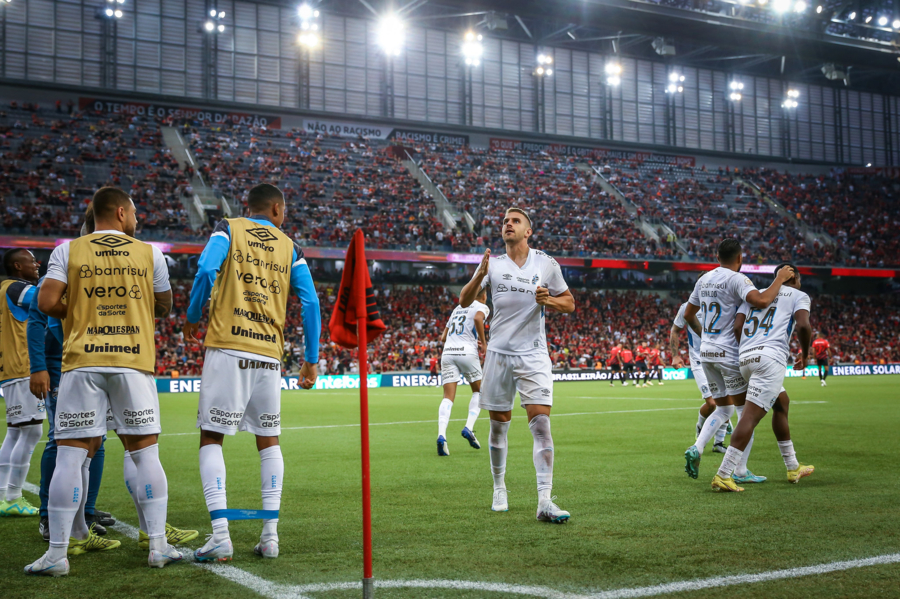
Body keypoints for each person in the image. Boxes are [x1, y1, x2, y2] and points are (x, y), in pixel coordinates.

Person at [26, 188, 182, 576]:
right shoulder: (149, 253)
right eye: (133, 213)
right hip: (133, 361)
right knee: (145, 454)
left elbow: (46, 303)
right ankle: (158, 547)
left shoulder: (68, 250)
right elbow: (164, 305)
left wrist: (80, 312)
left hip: (83, 362)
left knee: (71, 456)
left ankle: (58, 554)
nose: (136, 220)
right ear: (120, 211)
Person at [184, 183, 321, 561]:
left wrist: (193, 316)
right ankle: (270, 536)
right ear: (276, 208)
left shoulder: (228, 229)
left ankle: (220, 535)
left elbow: (206, 269)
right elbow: (310, 302)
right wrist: (311, 359)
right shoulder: (291, 247)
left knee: (212, 437)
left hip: (228, 346)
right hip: (268, 356)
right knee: (269, 440)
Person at [458, 207, 575, 523]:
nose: (508, 224)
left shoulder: (546, 263)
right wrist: (479, 275)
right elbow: (464, 300)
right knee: (499, 426)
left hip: (534, 355)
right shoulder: (493, 265)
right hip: (498, 353)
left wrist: (548, 300)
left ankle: (545, 501)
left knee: (541, 424)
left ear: (528, 231)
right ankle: (499, 488)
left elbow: (570, 302)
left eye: (515, 221)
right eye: (505, 221)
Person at [30, 208, 117, 539]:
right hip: (61, 367)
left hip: (93, 364)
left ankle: (88, 510)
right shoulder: (63, 267)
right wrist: (38, 367)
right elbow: (39, 319)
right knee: (60, 440)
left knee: (99, 439)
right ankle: (48, 515)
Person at [682, 239, 795, 489]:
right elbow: (762, 301)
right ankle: (739, 470)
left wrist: (706, 337)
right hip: (729, 355)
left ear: (717, 255)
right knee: (746, 416)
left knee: (724, 410)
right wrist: (780, 279)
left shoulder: (704, 279)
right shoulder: (737, 279)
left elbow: (689, 314)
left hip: (706, 353)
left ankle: (697, 447)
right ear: (740, 258)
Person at [712, 264, 815, 491]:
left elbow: (737, 326)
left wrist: (749, 349)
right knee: (750, 417)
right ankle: (723, 473)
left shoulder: (754, 296)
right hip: (770, 359)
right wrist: (806, 355)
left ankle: (792, 466)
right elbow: (803, 326)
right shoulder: (799, 295)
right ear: (795, 277)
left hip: (746, 358)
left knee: (782, 402)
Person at [0, 249, 44, 517]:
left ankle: (4, 494)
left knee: (16, 432)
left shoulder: (3, 289)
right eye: (31, 260)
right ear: (17, 265)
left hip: (9, 367)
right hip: (23, 367)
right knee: (31, 432)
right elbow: (44, 301)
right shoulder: (17, 288)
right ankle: (14, 495)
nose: (37, 264)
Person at [436, 288, 489, 456]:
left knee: (447, 397)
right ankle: (469, 427)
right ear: (483, 295)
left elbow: (443, 338)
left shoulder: (457, 309)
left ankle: (441, 436)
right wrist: (483, 342)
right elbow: (477, 318)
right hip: (466, 352)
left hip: (448, 352)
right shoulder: (481, 306)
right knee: (479, 391)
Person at [670, 301, 728, 454]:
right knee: (712, 403)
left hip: (721, 358)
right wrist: (675, 356)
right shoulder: (687, 307)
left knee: (726, 402)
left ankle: (719, 443)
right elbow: (675, 330)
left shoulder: (722, 302)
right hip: (699, 361)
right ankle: (701, 426)